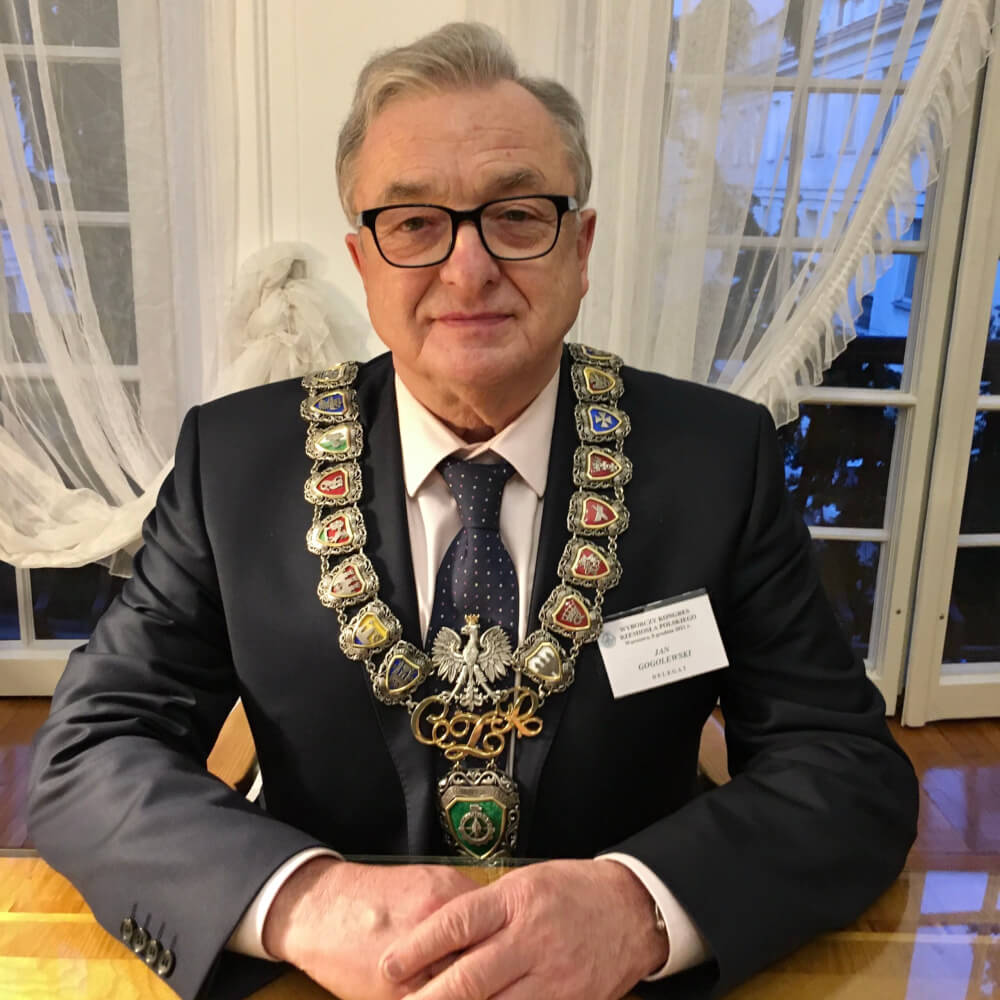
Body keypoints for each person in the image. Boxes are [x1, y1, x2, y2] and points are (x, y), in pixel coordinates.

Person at [29, 22, 918, 1000]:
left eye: (518, 215)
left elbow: (843, 764)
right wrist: (302, 901)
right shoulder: (235, 464)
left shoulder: (716, 459)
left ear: (579, 247)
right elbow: (93, 748)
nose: (468, 269)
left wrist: (641, 907)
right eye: (415, 224)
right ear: (363, 260)